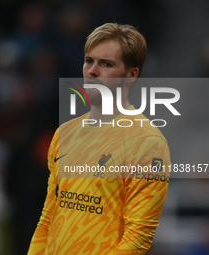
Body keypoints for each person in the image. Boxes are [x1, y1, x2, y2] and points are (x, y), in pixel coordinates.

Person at [28, 23, 171, 254]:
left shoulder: (148, 143)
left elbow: (137, 240)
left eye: (106, 64)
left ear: (131, 75)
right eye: (89, 60)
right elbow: (48, 219)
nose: (92, 71)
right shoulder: (64, 133)